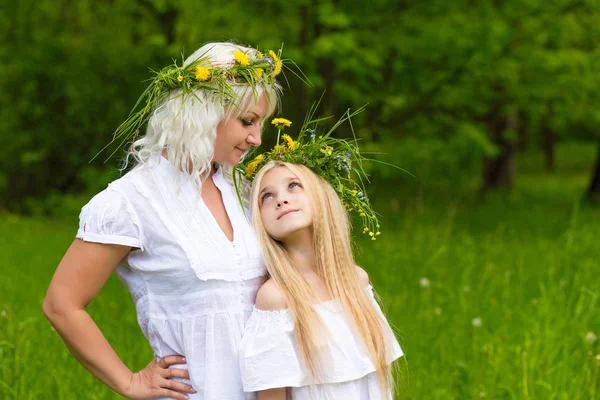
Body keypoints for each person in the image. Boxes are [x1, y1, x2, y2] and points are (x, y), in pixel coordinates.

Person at [43, 42, 285, 400]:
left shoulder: (244, 188)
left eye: (260, 123)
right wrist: (129, 382)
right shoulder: (130, 202)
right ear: (205, 111)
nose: (257, 138)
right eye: (247, 121)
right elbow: (61, 303)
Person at [237, 119, 403, 399]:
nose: (281, 200)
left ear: (320, 196)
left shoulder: (355, 281)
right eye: (267, 196)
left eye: (293, 186)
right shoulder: (276, 298)